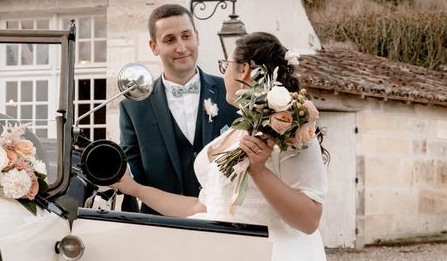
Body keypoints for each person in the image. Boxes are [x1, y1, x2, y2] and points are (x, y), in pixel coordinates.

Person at [114, 32, 329, 261]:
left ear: (243, 69)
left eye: (226, 65)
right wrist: (134, 188)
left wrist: (259, 171)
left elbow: (309, 219)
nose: (223, 73)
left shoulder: (290, 127)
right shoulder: (236, 132)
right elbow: (202, 207)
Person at [119, 4, 239, 214]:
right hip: (160, 225)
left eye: (186, 36)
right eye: (169, 40)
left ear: (197, 37)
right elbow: (133, 167)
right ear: (154, 46)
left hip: (224, 222)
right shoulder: (133, 107)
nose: (181, 47)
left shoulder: (231, 93)